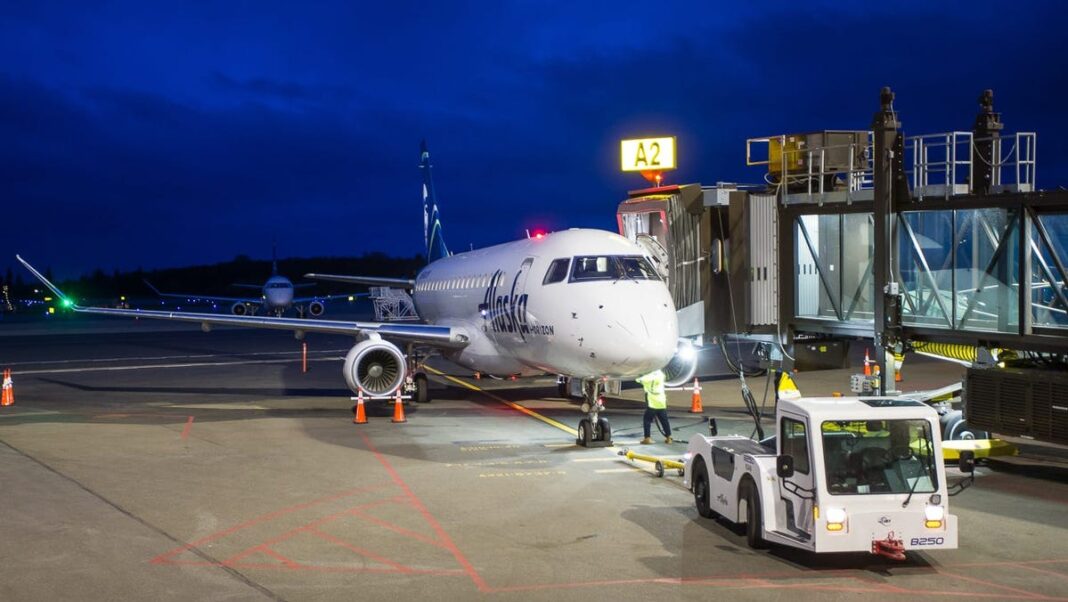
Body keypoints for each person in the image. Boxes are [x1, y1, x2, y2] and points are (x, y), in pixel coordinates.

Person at [637, 369, 671, 444]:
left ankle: (647, 438)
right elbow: (664, 376)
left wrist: (640, 373)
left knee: (647, 420)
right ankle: (669, 437)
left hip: (652, 403)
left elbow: (638, 380)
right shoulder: (660, 374)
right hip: (661, 402)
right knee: (664, 420)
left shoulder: (647, 378)